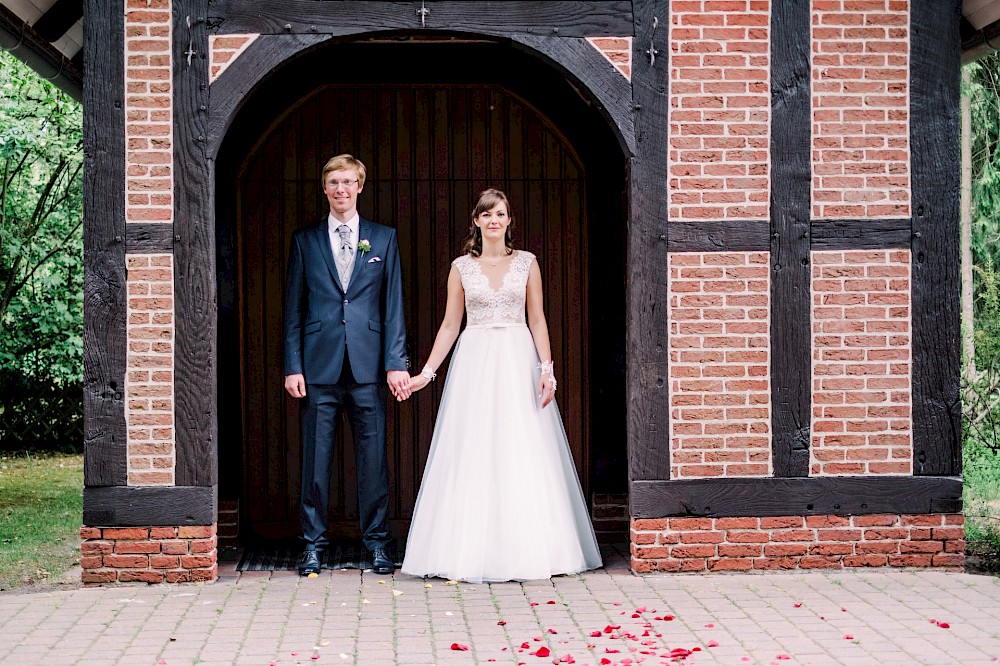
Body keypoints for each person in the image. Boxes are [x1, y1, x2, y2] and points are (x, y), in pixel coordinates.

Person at [400, 188, 602, 583]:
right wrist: (426, 372)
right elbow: (449, 325)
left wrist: (548, 369)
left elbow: (538, 319)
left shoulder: (527, 263)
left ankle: (530, 548)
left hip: (516, 355)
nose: (494, 220)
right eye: (487, 214)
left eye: (501, 214)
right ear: (476, 221)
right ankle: (467, 549)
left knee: (521, 444)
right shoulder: (461, 267)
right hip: (474, 359)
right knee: (472, 446)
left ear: (510, 221)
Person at [283, 154, 410, 576]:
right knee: (315, 462)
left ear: (360, 186)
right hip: (317, 368)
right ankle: (313, 546)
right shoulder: (305, 241)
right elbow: (294, 311)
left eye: (348, 182)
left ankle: (376, 544)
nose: (341, 189)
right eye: (333, 182)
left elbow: (393, 308)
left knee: (373, 462)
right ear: (324, 188)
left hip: (368, 368)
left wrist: (396, 363)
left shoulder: (383, 239)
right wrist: (292, 365)